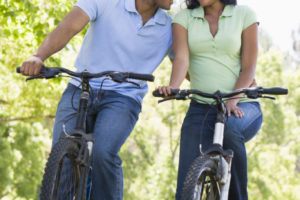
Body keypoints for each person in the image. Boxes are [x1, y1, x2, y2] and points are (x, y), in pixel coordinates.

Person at [20, 0, 173, 199]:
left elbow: (185, 61)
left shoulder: (170, 27)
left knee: (103, 153)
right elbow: (68, 27)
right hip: (81, 86)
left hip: (123, 97)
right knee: (62, 158)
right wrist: (38, 57)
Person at [157, 0, 262, 199]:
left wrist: (233, 99)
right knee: (187, 180)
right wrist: (174, 87)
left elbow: (249, 68)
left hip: (243, 104)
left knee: (231, 129)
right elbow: (181, 59)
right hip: (201, 106)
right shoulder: (184, 18)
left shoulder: (245, 15)